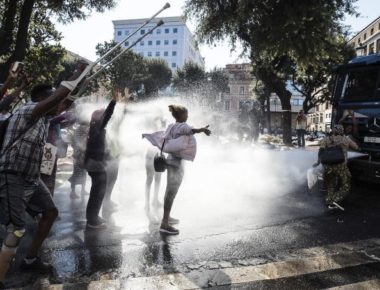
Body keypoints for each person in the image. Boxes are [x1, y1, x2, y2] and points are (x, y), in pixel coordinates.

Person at [0, 61, 88, 286]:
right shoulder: (29, 110)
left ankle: (30, 259)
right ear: (42, 98)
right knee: (16, 229)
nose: (57, 105)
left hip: (30, 177)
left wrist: (83, 77)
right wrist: (77, 71)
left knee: (50, 212)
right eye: (51, 98)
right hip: (12, 174)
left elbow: (64, 101)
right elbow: (60, 98)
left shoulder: (44, 117)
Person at [144, 105, 211, 235]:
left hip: (170, 160)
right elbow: (191, 130)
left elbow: (163, 137)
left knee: (169, 191)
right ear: (180, 116)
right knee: (171, 192)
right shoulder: (183, 126)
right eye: (186, 114)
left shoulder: (171, 126)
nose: (188, 116)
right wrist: (202, 129)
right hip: (176, 163)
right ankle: (164, 223)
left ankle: (166, 217)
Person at [84, 94, 119, 229]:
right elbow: (108, 115)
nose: (104, 115)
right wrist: (113, 102)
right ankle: (92, 220)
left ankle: (93, 217)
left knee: (98, 191)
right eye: (102, 114)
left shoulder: (95, 127)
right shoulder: (97, 127)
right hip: (96, 164)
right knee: (98, 192)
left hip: (94, 163)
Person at [318, 124, 360, 210]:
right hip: (341, 166)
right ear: (342, 131)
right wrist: (359, 148)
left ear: (333, 131)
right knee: (346, 184)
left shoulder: (325, 140)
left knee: (331, 184)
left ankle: (329, 200)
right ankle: (335, 200)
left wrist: (318, 163)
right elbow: (357, 147)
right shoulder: (346, 139)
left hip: (328, 166)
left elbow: (320, 152)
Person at [69, 118, 89, 199]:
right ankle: (73, 192)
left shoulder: (77, 129)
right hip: (80, 155)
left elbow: (74, 143)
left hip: (78, 154)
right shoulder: (83, 129)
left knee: (81, 174)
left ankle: (81, 191)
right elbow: (82, 142)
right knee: (78, 174)